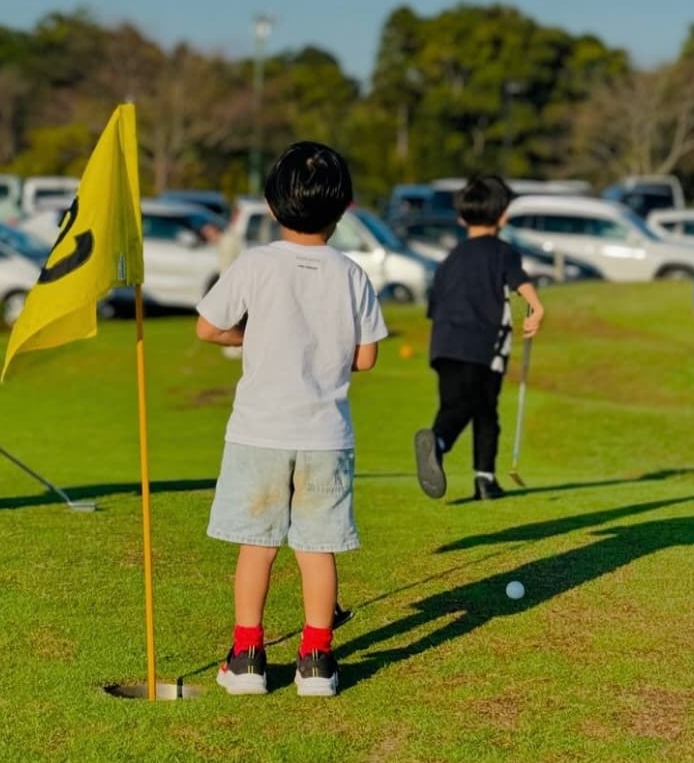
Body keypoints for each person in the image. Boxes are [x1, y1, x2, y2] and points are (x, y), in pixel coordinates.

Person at [196, 142, 387, 698]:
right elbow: (367, 356)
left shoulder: (254, 264)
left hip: (258, 433)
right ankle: (316, 663)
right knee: (316, 550)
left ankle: (248, 658)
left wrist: (250, 336)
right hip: (325, 436)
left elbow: (208, 327)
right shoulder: (351, 273)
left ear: (271, 206)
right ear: (345, 207)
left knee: (257, 545)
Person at [414, 174, 543, 503]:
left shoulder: (450, 259)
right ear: (503, 215)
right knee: (482, 409)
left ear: (461, 217)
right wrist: (536, 308)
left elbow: (435, 307)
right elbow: (518, 282)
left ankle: (477, 474)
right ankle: (445, 447)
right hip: (482, 346)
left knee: (460, 404)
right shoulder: (503, 253)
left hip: (444, 344)